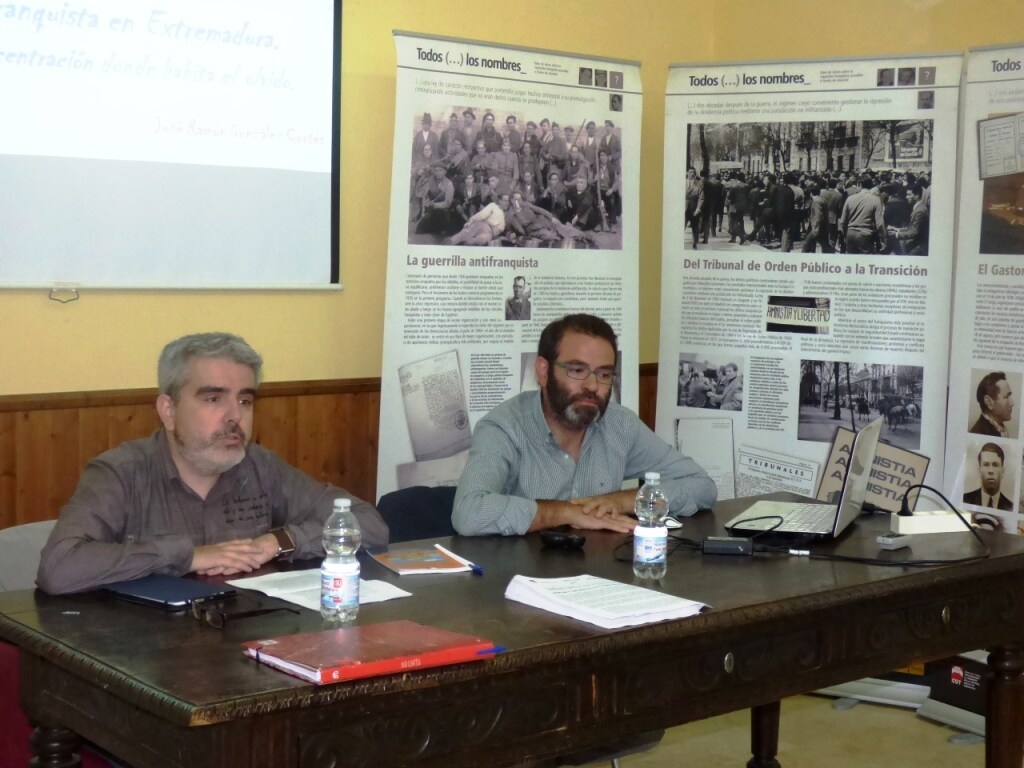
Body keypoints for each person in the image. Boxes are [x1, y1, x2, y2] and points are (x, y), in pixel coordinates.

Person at [36, 333, 388, 595]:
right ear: (169, 411)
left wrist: (278, 542)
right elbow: (60, 568)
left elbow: (369, 523)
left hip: (242, 649)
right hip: (145, 662)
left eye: (245, 401)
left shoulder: (260, 467)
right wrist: (188, 557)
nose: (234, 416)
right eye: (214, 398)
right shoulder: (120, 473)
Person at [452, 314, 716, 536]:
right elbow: (469, 513)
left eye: (603, 374)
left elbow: (701, 486)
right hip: (521, 580)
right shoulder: (504, 427)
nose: (592, 386)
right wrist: (567, 512)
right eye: (577, 370)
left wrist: (622, 501)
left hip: (602, 574)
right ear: (543, 372)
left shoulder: (619, 424)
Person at [963, 443, 1013, 511]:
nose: (991, 471)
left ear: (1002, 472)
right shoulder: (965, 500)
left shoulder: (1011, 507)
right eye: (986, 465)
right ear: (979, 471)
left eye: (995, 465)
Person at [971, 371, 1014, 437]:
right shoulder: (980, 433)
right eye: (1006, 397)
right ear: (989, 402)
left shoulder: (998, 428)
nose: (1012, 403)